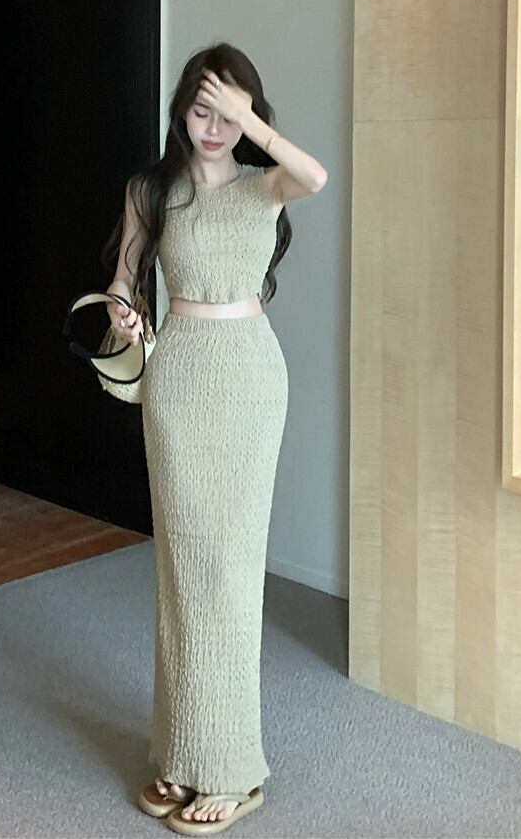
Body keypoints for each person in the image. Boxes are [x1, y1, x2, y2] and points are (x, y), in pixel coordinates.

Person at [101, 42, 327, 835]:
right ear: (180, 112)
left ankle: (232, 767)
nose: (213, 125)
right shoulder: (151, 191)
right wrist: (122, 306)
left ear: (249, 118)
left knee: (230, 570)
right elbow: (126, 275)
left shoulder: (266, 184)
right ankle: (180, 748)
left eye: (228, 112)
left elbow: (316, 176)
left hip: (250, 382)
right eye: (202, 109)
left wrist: (250, 123)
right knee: (183, 568)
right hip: (178, 379)